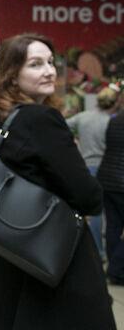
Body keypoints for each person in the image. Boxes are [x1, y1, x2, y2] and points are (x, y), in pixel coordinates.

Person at [0, 33, 116, 329]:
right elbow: (90, 198)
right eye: (35, 64)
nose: (49, 71)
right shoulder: (40, 120)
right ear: (11, 74)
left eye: (51, 62)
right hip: (47, 262)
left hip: (1, 253)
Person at [66, 86, 120, 257]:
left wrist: (73, 140)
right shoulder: (111, 121)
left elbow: (63, 125)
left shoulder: (83, 117)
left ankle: (97, 250)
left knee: (93, 212)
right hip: (106, 167)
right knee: (108, 216)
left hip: (85, 166)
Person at [97, 86, 124, 284]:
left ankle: (114, 270)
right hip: (122, 181)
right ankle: (116, 268)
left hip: (107, 178)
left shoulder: (114, 121)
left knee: (113, 226)